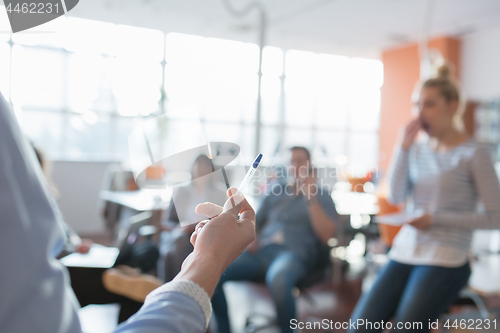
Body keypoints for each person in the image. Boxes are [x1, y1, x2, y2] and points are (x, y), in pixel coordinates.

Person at [0, 91, 255, 333]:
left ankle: (127, 271)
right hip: (177, 249)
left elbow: (53, 237)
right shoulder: (183, 191)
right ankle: (125, 275)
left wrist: (76, 243)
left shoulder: (218, 190)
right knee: (159, 259)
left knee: (144, 252)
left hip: (81, 255)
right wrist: (209, 257)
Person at [349, 64, 500, 333]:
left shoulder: (474, 154)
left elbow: (495, 217)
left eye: (428, 104)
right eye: (416, 104)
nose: (419, 113)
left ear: (452, 105)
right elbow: (395, 196)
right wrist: (402, 148)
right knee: (360, 327)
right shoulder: (415, 149)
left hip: (448, 256)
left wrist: (434, 219)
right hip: (406, 249)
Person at [212, 146, 338, 333]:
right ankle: (224, 330)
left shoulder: (321, 195)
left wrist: (310, 195)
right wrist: (251, 236)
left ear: (309, 165)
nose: (295, 165)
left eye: (300, 161)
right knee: (216, 270)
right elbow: (256, 220)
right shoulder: (276, 191)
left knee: (278, 278)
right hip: (263, 252)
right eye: (291, 161)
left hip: (294, 255)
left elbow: (327, 236)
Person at [158, 154, 227, 282]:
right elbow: (166, 222)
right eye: (198, 164)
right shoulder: (180, 191)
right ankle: (176, 287)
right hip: (179, 234)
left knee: (181, 246)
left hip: (205, 235)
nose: (200, 168)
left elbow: (224, 222)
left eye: (204, 165)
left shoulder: (220, 193)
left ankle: (175, 288)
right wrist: (181, 227)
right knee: (177, 245)